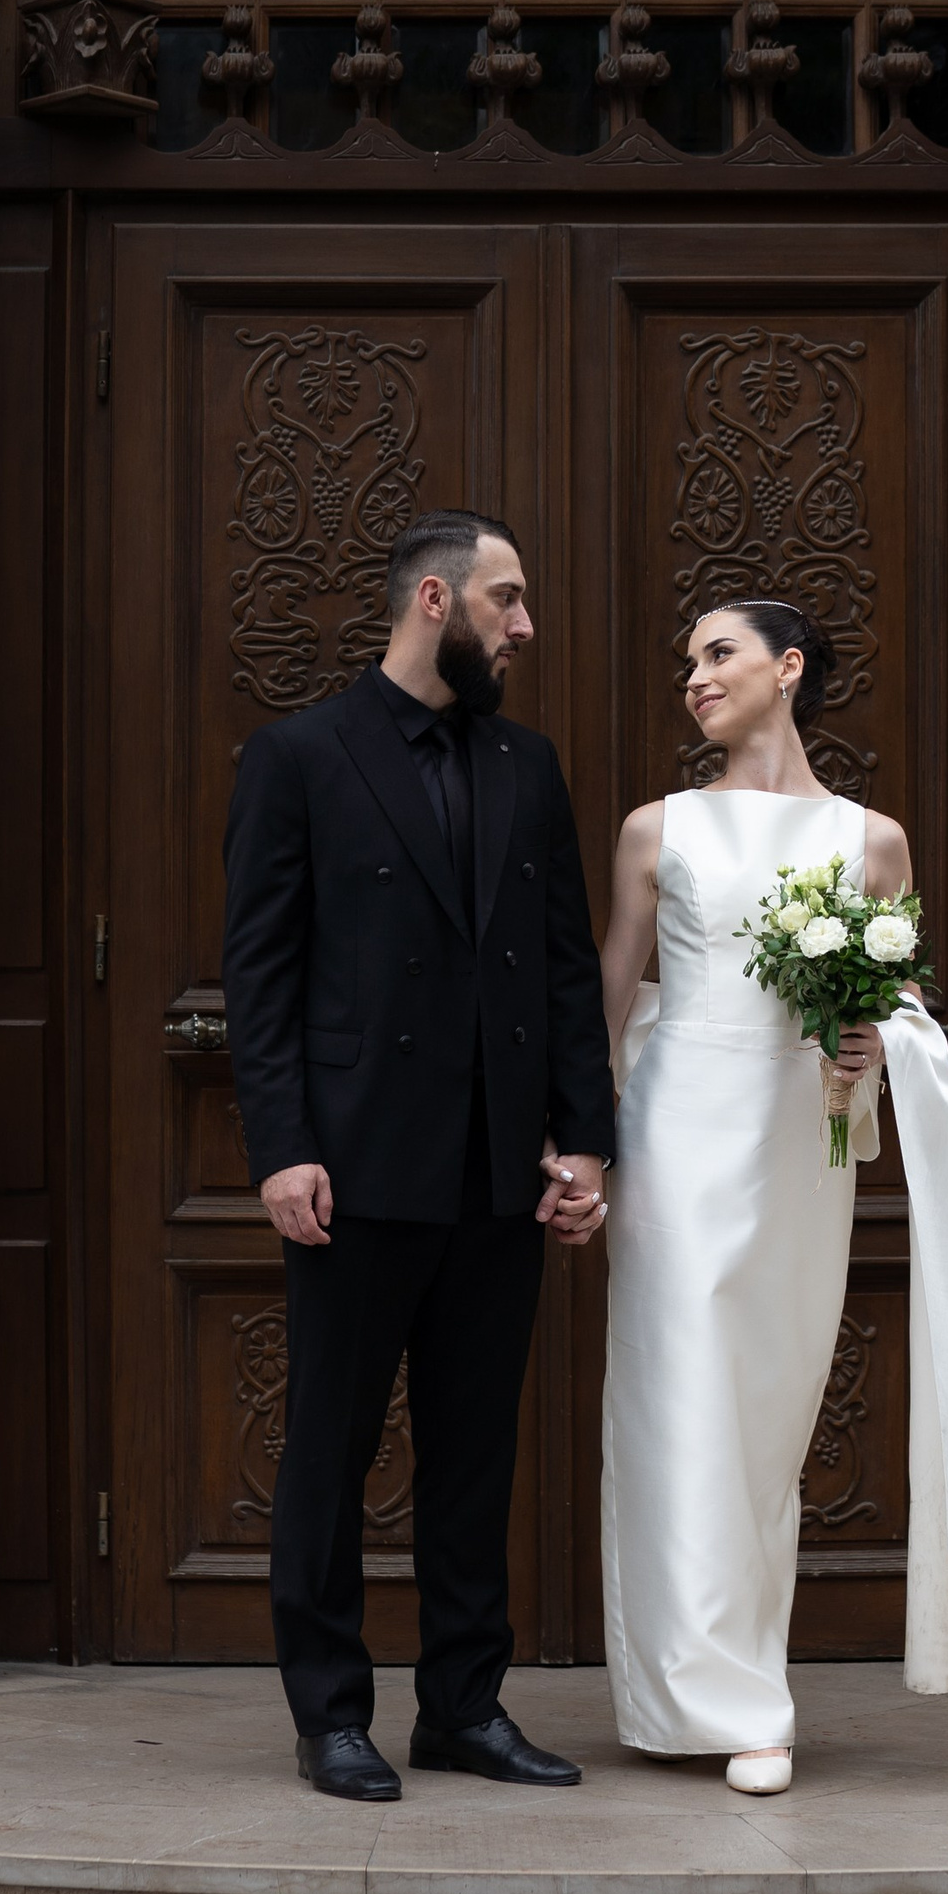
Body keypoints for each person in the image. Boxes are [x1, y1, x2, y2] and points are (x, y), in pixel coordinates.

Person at [595, 601, 948, 1795]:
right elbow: (610, 992)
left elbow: (899, 1004)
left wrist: (874, 1039)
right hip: (676, 1133)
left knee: (769, 1412)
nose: (695, 678)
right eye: (687, 661)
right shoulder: (656, 827)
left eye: (718, 654)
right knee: (678, 1395)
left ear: (786, 668)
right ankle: (723, 1703)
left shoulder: (871, 841)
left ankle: (738, 1675)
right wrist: (578, 1149)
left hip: (800, 1145)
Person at [222, 510, 614, 1805]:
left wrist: (584, 1139)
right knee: (329, 1450)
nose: (525, 624)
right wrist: (282, 1147)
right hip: (355, 1165)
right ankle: (331, 1713)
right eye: (508, 598)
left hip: (496, 1171)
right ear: (435, 599)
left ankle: (463, 1705)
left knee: (474, 1451)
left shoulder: (526, 763)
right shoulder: (299, 755)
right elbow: (260, 974)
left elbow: (565, 967)